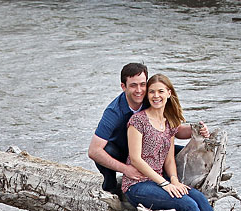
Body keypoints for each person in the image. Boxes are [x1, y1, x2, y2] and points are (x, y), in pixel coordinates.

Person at [122, 74, 241, 211]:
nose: (156, 95)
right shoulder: (138, 121)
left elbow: (169, 159)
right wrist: (165, 184)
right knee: (187, 204)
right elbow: (136, 159)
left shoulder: (168, 123)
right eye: (152, 92)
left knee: (198, 197)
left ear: (169, 93)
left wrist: (174, 180)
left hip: (159, 181)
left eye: (160, 91)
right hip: (137, 185)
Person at [88, 63, 206, 193]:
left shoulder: (153, 99)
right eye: (133, 85)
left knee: (181, 152)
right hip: (121, 152)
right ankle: (111, 188)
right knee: (107, 149)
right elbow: (94, 151)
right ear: (123, 87)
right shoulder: (113, 112)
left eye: (142, 84)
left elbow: (176, 130)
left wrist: (196, 130)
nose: (139, 90)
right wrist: (126, 169)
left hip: (146, 150)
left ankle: (175, 183)